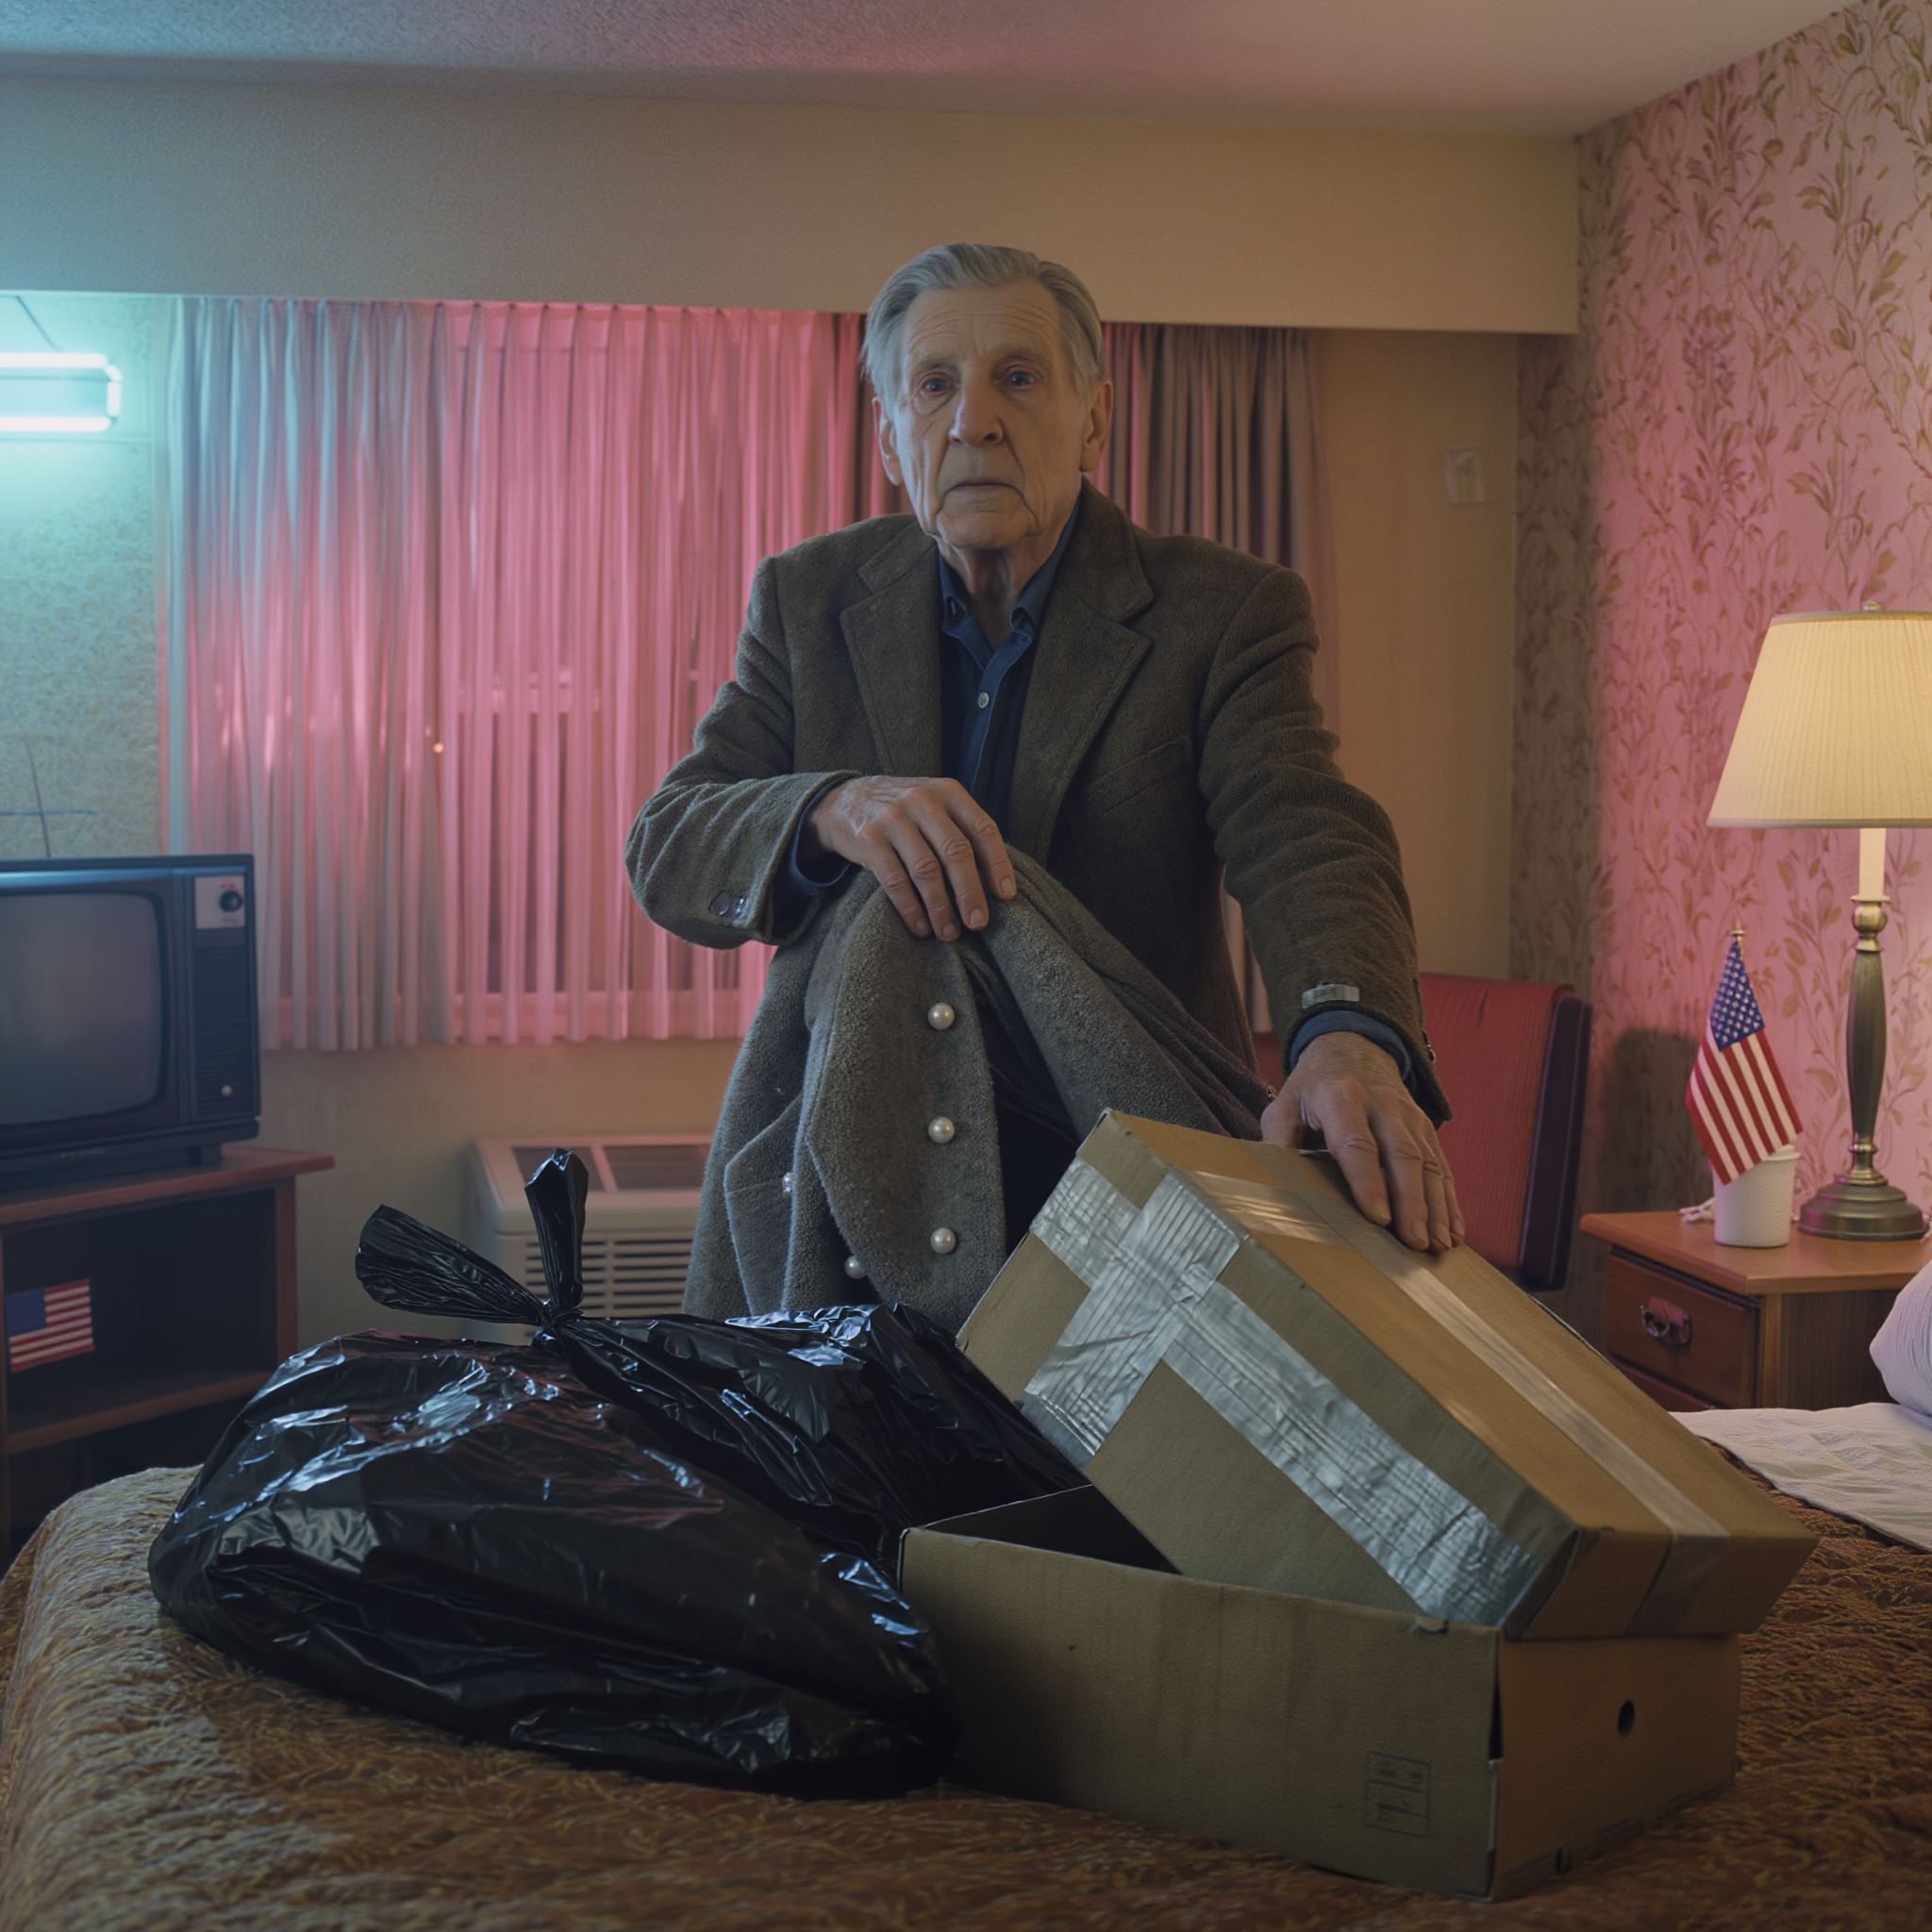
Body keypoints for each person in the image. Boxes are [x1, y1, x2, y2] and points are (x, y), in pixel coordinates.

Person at [630, 243, 1461, 1256]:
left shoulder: (1222, 611)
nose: (972, 420)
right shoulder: (806, 600)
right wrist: (829, 807)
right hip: (862, 1192)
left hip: (1126, 1183)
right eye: (933, 386)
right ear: (891, 438)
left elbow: (1306, 833)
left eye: (1017, 378)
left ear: (1093, 422)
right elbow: (670, 842)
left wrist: (1344, 1036)